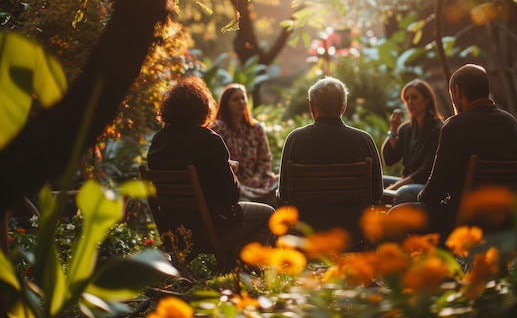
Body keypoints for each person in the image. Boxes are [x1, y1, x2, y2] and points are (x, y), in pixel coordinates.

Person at [388, 64, 517, 242]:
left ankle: (415, 268)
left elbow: (436, 188)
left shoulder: (455, 125)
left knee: (395, 215)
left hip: (462, 219)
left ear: (457, 92)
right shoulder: (511, 122)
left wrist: (420, 198)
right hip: (506, 216)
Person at [147, 76, 275, 262]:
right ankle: (237, 260)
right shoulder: (210, 140)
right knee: (269, 214)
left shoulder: (159, 141)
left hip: (175, 228)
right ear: (203, 108)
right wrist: (231, 169)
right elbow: (232, 195)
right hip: (212, 227)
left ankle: (227, 259)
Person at [277, 76, 384, 246]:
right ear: (344, 106)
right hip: (353, 230)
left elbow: (283, 194)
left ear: (312, 106)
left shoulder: (295, 140)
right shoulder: (364, 140)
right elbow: (377, 194)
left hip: (309, 230)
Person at [211, 84, 278, 206]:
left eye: (243, 98)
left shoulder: (256, 128)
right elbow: (215, 160)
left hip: (258, 182)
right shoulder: (219, 128)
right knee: (239, 195)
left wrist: (257, 177)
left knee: (282, 183)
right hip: (236, 184)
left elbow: (265, 159)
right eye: (235, 99)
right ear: (226, 103)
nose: (241, 102)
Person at [381, 79, 444, 204]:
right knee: (375, 182)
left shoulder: (438, 129)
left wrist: (395, 187)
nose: (410, 102)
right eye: (407, 98)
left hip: (427, 185)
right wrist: (393, 130)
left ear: (427, 100)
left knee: (402, 192)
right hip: (407, 181)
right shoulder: (406, 129)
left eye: (414, 97)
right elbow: (389, 159)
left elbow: (425, 171)